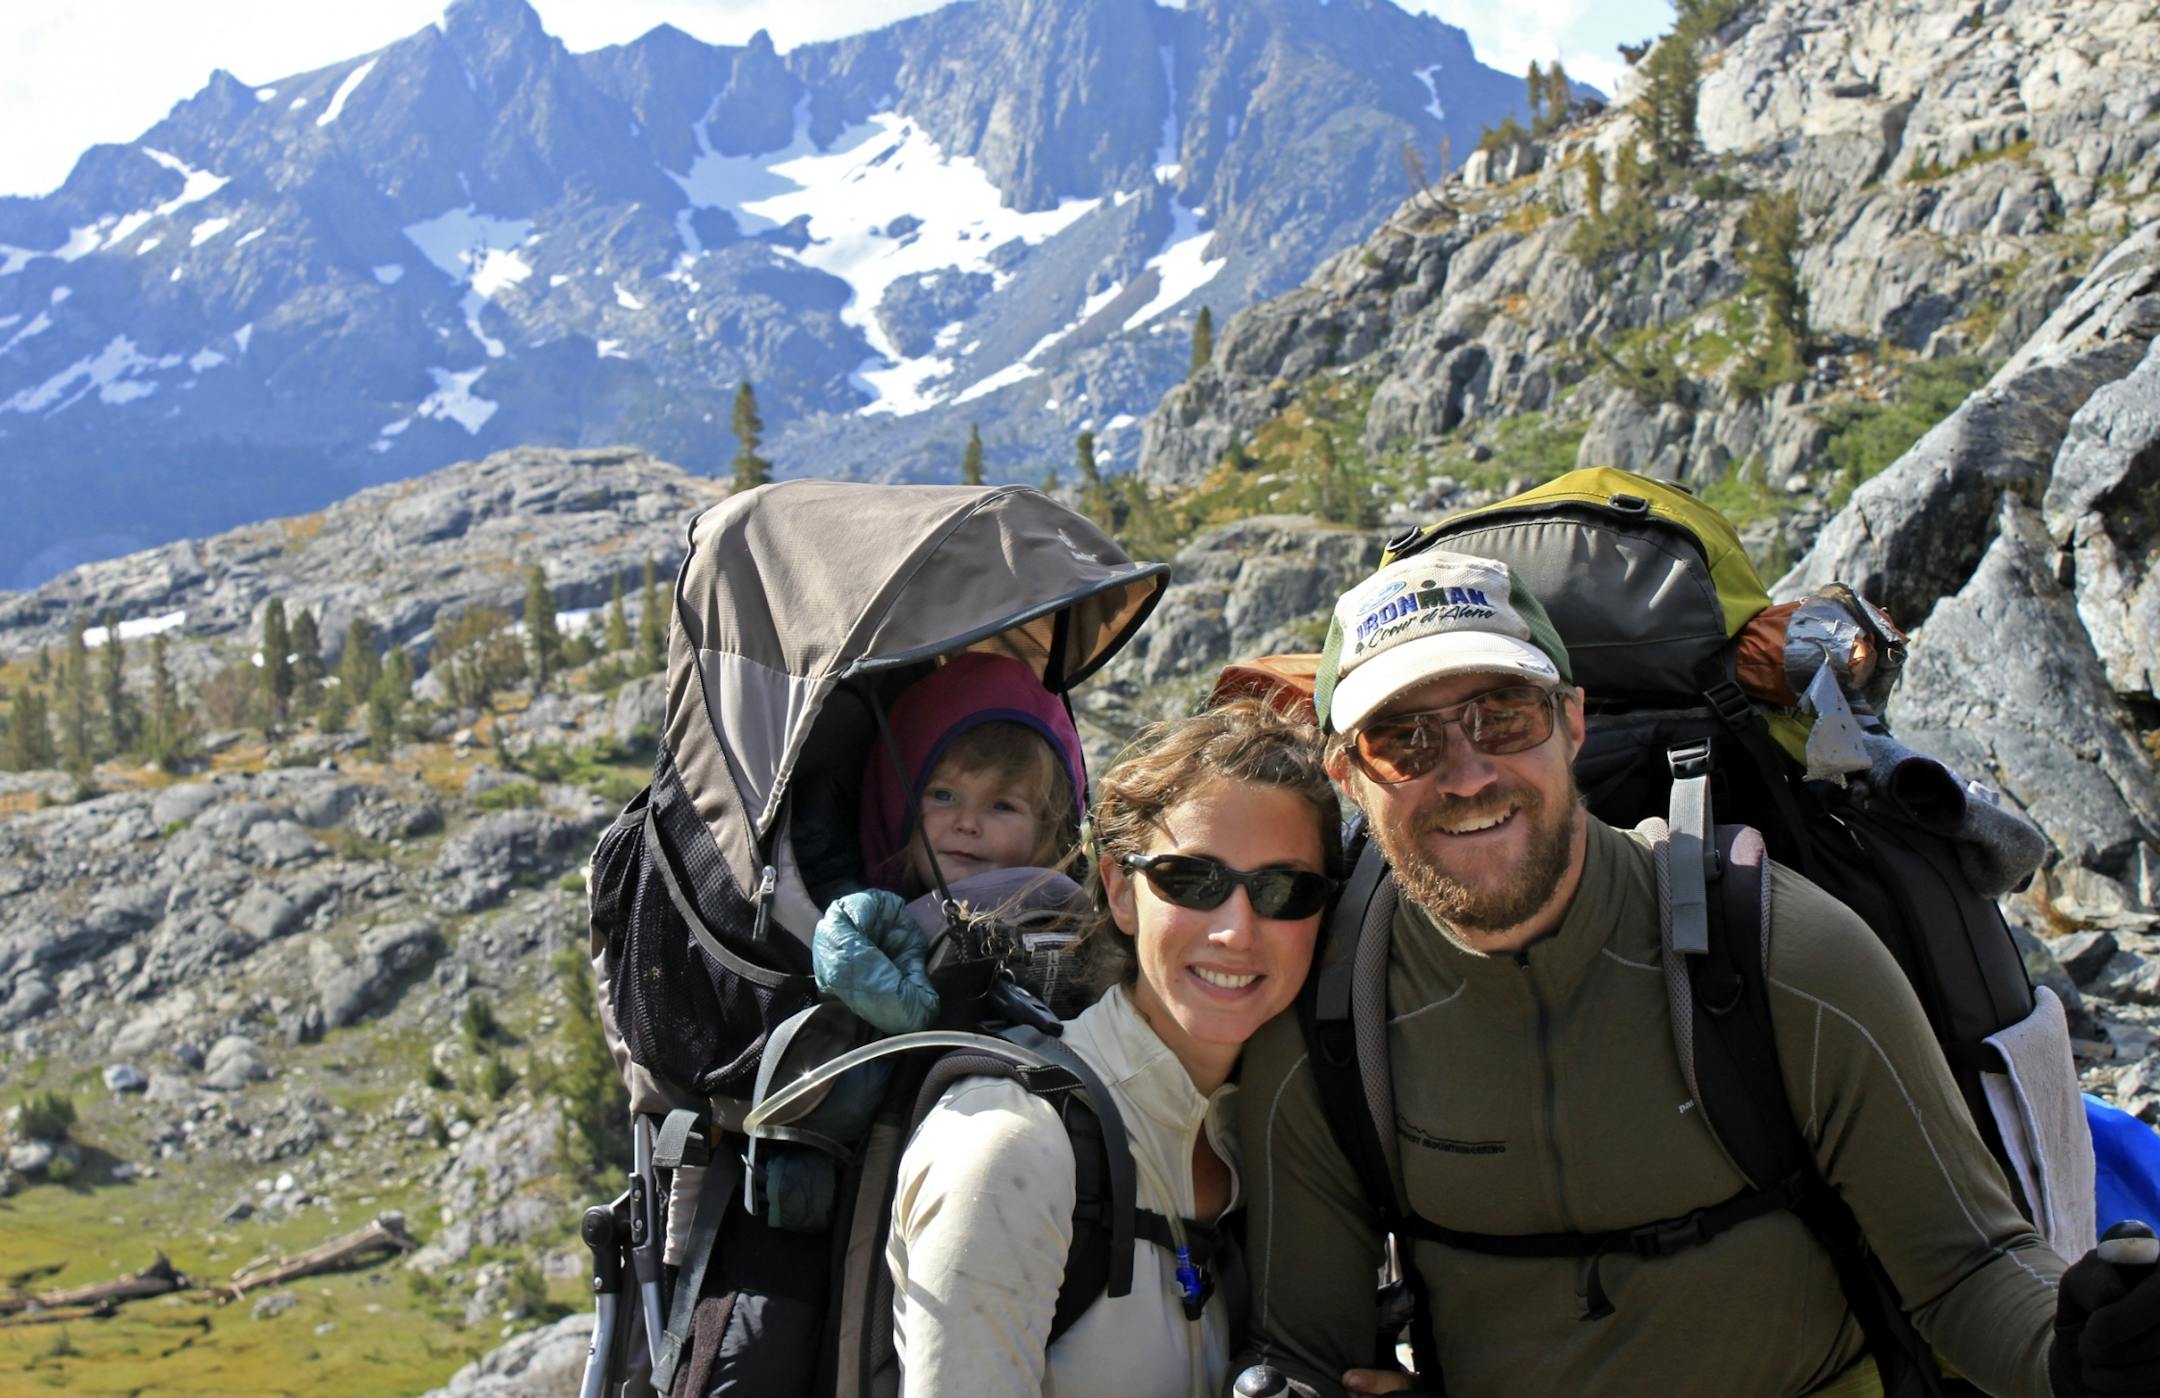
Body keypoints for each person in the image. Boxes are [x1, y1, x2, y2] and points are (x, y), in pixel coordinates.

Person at [1232, 550, 2160, 1398]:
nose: (1468, 774)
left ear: (1573, 722)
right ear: (1348, 775)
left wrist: (2080, 1346)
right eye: (1406, 741)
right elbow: (1311, 1357)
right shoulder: (1333, 1023)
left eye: (1503, 716)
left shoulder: (1778, 952)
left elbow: (1966, 1268)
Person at [885, 699, 1344, 1397]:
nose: (1236, 931)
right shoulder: (1009, 1147)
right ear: (1121, 893)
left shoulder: (1278, 1143)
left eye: (1284, 888)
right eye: (1192, 880)